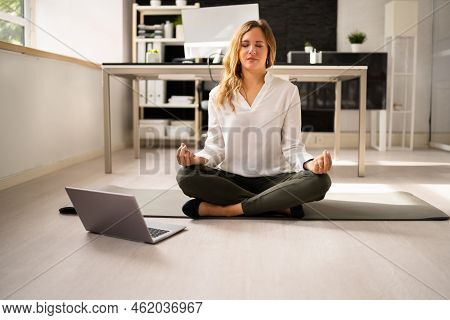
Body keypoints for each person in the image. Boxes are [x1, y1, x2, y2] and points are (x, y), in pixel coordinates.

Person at [176, 19, 332, 218]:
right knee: (185, 176)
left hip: (276, 179)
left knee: (320, 182)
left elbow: (293, 147)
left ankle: (230, 210)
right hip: (231, 179)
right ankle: (276, 204)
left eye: (259, 45)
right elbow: (216, 148)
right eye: (245, 44)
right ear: (237, 50)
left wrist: (310, 164)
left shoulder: (287, 91)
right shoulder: (218, 94)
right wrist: (197, 159)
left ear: (269, 51)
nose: (252, 50)